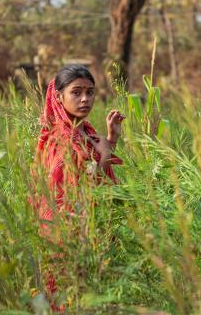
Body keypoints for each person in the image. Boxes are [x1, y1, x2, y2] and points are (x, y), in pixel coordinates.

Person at [32, 64, 125, 308]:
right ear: (58, 96)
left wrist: (111, 139)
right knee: (70, 297)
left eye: (90, 92)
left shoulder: (85, 131)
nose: (85, 99)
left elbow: (91, 174)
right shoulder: (59, 138)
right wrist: (104, 156)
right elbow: (73, 192)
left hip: (91, 231)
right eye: (76, 92)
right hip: (68, 235)